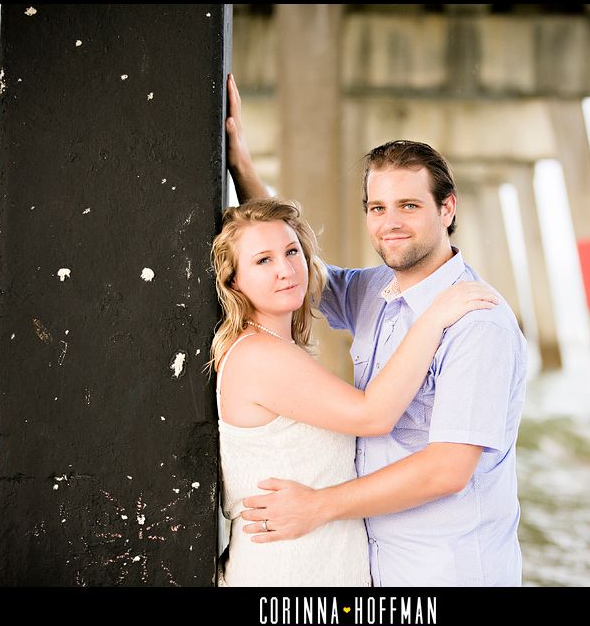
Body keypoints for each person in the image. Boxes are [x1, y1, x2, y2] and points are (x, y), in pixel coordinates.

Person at [225, 73, 529, 587]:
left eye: (409, 206)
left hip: (448, 571)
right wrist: (243, 169)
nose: (390, 222)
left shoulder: (479, 322)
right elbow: (297, 272)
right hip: (374, 568)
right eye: (377, 207)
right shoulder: (376, 293)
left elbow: (447, 471)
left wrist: (320, 506)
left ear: (446, 207)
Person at [210, 197, 499, 586]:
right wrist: (433, 318)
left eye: (292, 251)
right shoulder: (259, 356)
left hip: (318, 568)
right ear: (233, 281)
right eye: (263, 261)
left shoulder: (277, 349)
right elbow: (373, 416)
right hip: (289, 572)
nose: (285, 269)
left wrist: (244, 170)